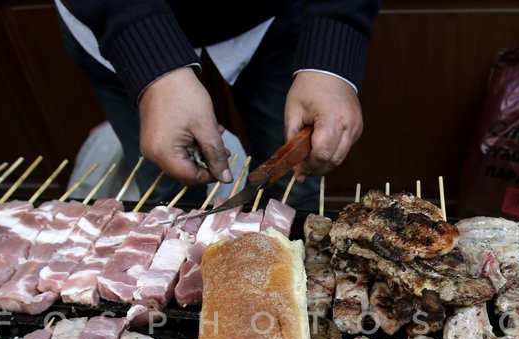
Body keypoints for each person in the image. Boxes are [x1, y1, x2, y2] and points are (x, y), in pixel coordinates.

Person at [55, 1, 381, 209]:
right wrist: (150, 66)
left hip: (276, 17)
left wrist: (330, 58)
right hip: (114, 21)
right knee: (173, 187)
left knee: (297, 188)